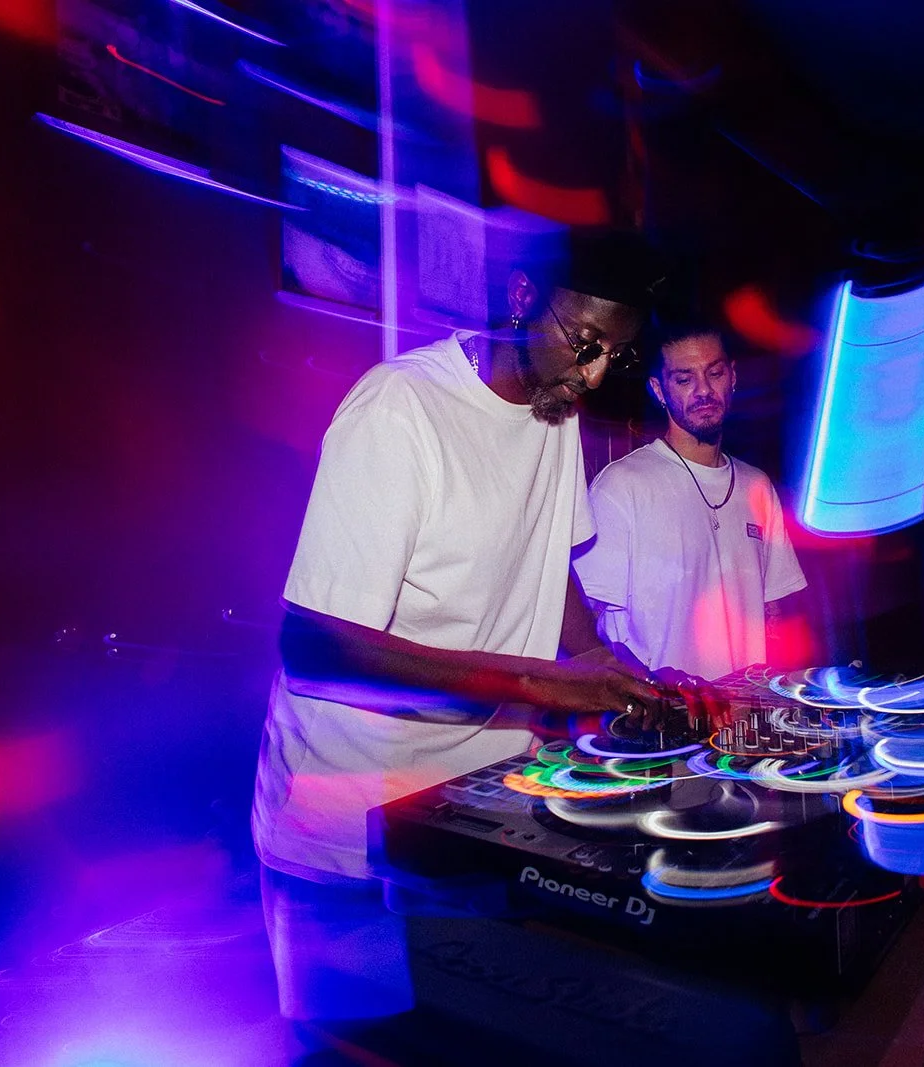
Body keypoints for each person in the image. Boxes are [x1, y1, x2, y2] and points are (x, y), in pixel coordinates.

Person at [251, 231, 672, 1038]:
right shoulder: (399, 410)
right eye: (583, 342)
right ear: (521, 298)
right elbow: (314, 647)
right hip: (349, 826)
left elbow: (548, 559)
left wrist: (600, 661)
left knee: (483, 1040)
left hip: (474, 811)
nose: (591, 376)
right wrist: (537, 681)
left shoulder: (553, 409)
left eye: (614, 357)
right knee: (362, 1047)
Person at [574, 321, 809, 684]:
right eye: (684, 379)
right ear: (659, 389)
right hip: (664, 714)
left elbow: (774, 611)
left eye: (714, 373)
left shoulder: (757, 486)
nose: (703, 390)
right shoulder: (622, 486)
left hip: (745, 711)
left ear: (732, 377)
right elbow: (587, 625)